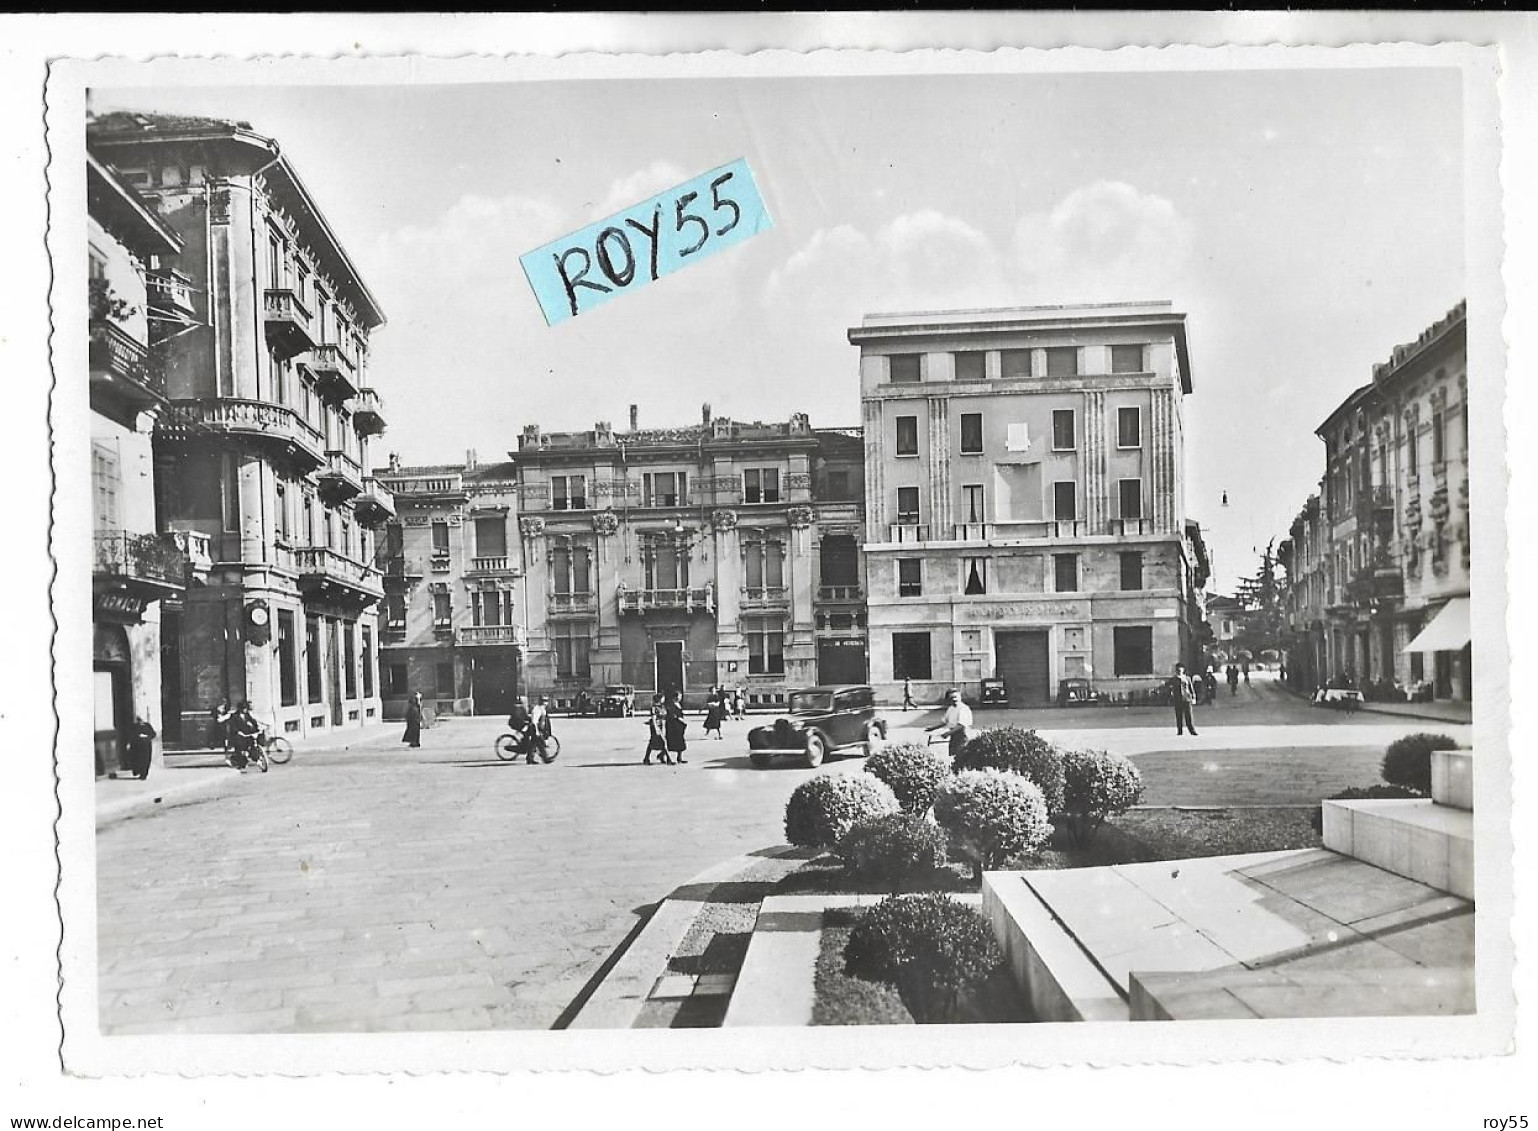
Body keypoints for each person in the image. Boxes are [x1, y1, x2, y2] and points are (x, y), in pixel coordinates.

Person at [926, 688, 974, 760]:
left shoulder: (963, 708)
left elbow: (961, 726)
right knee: (952, 755)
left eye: (956, 697)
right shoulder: (951, 709)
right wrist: (932, 728)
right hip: (954, 735)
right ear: (948, 699)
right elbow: (944, 722)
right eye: (951, 698)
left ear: (960, 697)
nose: (954, 699)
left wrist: (948, 733)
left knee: (961, 755)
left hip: (963, 735)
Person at [227, 701, 263, 769]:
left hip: (246, 733)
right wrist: (239, 732)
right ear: (240, 709)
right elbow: (233, 727)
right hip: (238, 735)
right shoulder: (234, 716)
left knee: (253, 744)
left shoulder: (247, 714)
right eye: (244, 708)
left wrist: (257, 728)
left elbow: (253, 721)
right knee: (241, 748)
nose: (245, 710)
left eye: (246, 708)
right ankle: (240, 761)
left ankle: (256, 758)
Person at [125, 716, 156, 781]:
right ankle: (138, 772)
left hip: (146, 745)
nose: (140, 722)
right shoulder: (134, 727)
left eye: (141, 720)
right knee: (138, 760)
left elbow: (153, 734)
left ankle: (144, 775)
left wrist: (147, 737)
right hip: (137, 747)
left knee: (146, 760)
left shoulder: (147, 725)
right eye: (138, 720)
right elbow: (131, 735)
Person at [1172, 664, 1199, 736]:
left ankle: (1192, 730)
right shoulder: (1174, 679)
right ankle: (1179, 731)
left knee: (1189, 716)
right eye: (1178, 670)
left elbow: (1191, 688)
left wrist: (1193, 697)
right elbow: (1168, 686)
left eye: (1180, 670)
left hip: (1187, 699)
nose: (1179, 671)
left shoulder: (1187, 678)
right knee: (1179, 716)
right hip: (1178, 700)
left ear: (1183, 670)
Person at [664, 689, 689, 765]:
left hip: (679, 725)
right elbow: (672, 715)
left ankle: (679, 758)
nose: (680, 698)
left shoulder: (678, 703)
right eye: (679, 696)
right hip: (673, 725)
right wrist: (680, 719)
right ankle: (663, 756)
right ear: (675, 697)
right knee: (672, 742)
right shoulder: (670, 704)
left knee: (680, 741)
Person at [643, 695, 669, 765]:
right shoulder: (654, 708)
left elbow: (664, 717)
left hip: (662, 726)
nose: (664, 699)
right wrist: (656, 728)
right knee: (663, 741)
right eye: (662, 698)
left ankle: (646, 758)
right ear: (659, 699)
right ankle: (668, 759)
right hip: (656, 726)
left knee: (653, 742)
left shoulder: (662, 707)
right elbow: (654, 718)